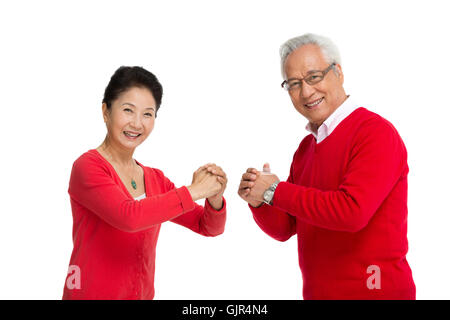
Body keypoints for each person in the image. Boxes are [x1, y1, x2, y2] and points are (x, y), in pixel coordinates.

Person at [238, 33, 415, 300]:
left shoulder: (375, 133)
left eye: (313, 77)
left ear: (338, 73)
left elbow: (352, 212)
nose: (306, 91)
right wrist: (259, 198)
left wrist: (274, 190)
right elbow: (286, 227)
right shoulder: (306, 149)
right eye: (294, 84)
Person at [63, 66, 227, 300]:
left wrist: (214, 196)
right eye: (128, 110)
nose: (137, 123)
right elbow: (129, 216)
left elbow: (208, 227)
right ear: (105, 111)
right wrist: (195, 190)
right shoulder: (87, 167)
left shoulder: (155, 179)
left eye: (148, 114)